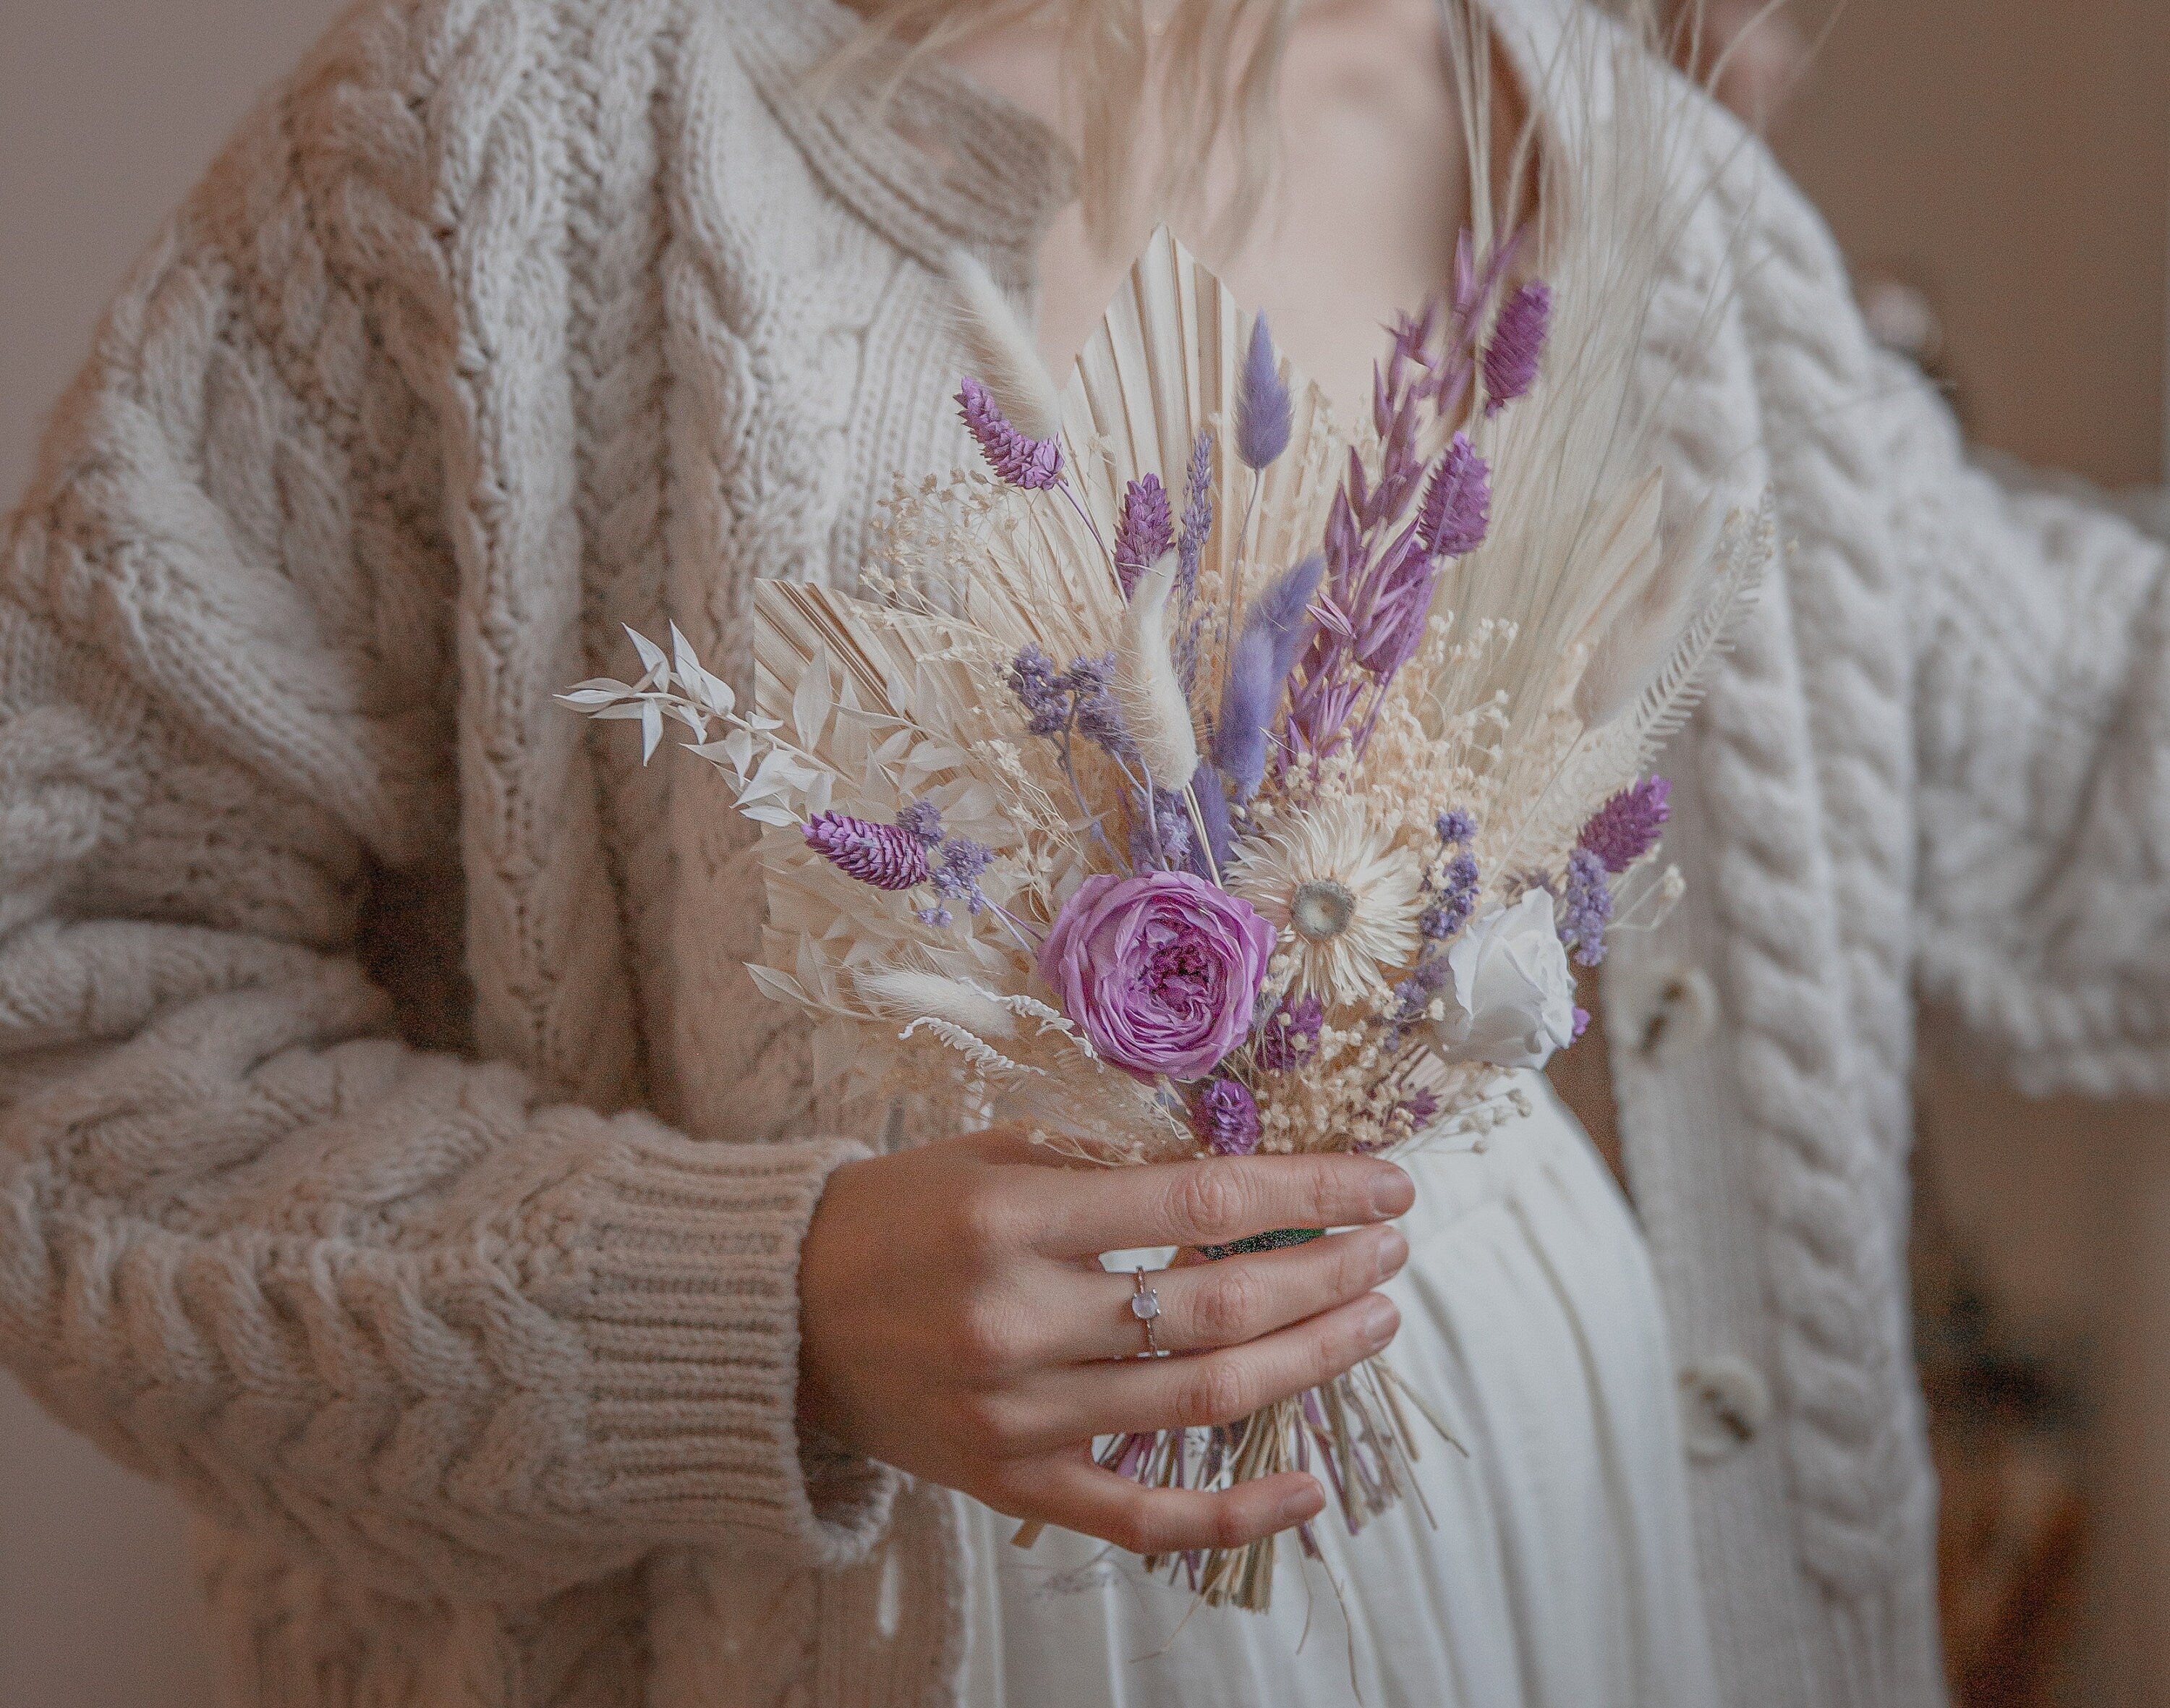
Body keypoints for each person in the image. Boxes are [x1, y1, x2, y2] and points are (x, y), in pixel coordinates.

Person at [1, 2, 2164, 1707]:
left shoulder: (1623, 170)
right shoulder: (505, 139)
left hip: (1579, 1577)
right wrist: (761, 1311)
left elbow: (2089, 777)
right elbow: (59, 1018)